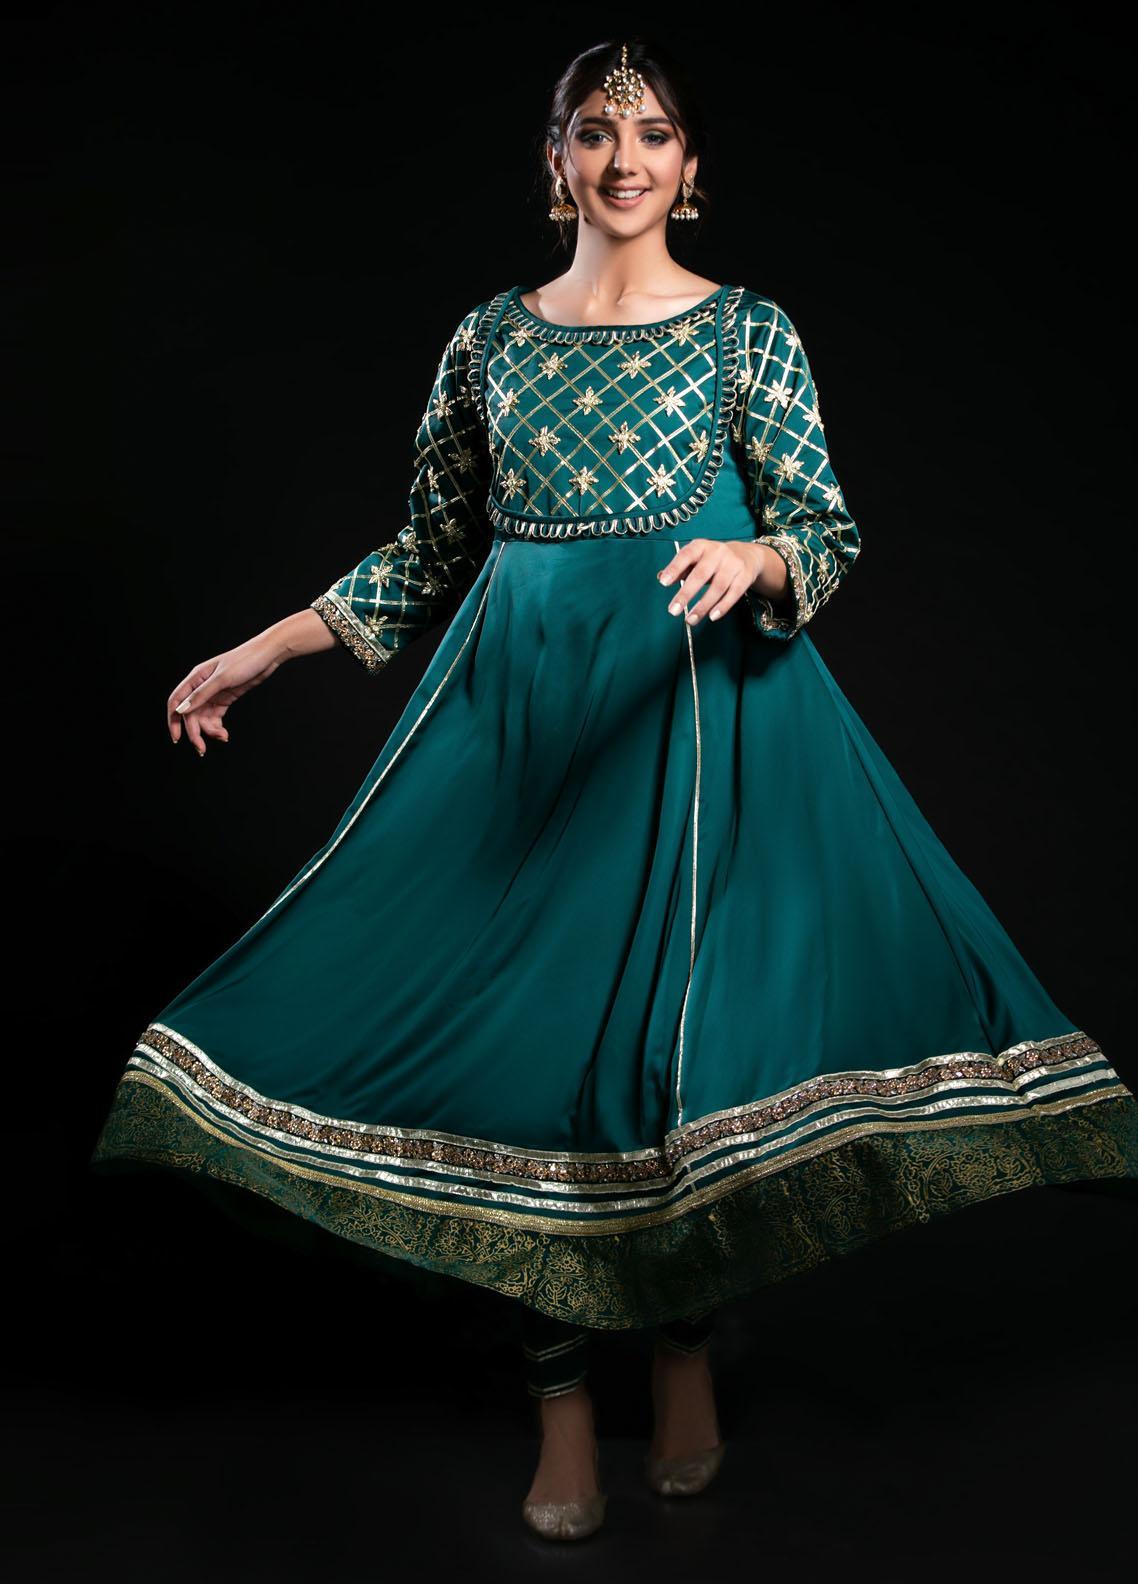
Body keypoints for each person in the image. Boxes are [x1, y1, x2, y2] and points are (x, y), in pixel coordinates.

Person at [89, 38, 1138, 1544]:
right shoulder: (488, 343)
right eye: (595, 131)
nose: (624, 158)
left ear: (690, 166)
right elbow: (427, 550)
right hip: (519, 733)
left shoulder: (748, 333)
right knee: (537, 1073)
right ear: (556, 161)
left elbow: (825, 530)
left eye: (652, 134)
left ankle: (687, 1355)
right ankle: (565, 1405)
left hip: (701, 731)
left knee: (672, 1068)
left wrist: (757, 556)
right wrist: (264, 649)